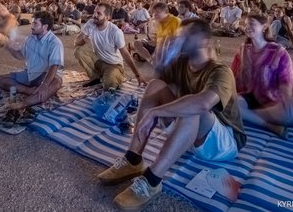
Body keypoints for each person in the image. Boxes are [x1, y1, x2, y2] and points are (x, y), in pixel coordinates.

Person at [96, 19, 246, 210]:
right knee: (155, 86)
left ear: (203, 41)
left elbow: (203, 104)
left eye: (186, 35)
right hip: (190, 136)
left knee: (191, 107)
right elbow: (157, 89)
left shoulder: (221, 71)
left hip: (223, 144)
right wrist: (158, 64)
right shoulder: (182, 62)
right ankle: (133, 159)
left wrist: (156, 112)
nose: (179, 39)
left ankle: (152, 180)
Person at [231, 15, 293, 138]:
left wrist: (287, 98)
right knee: (229, 104)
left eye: (252, 24)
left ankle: (247, 115)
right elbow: (232, 74)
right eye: (246, 24)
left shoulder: (278, 52)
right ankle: (267, 125)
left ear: (264, 27)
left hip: (272, 100)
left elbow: (286, 79)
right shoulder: (242, 50)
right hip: (246, 96)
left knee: (291, 115)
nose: (247, 27)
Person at [0, 11, 64, 125]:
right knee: (1, 81)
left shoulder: (55, 43)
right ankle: (30, 91)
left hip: (46, 75)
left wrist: (44, 85)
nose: (32, 26)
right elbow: (20, 55)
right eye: (32, 23)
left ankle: (23, 104)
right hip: (30, 74)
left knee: (56, 83)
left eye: (35, 24)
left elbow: (54, 66)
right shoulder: (29, 39)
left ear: (45, 27)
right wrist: (8, 47)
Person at [74, 2, 143, 89]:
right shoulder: (91, 23)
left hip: (113, 64)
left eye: (99, 13)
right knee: (79, 51)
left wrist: (137, 74)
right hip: (99, 60)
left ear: (107, 17)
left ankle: (114, 76)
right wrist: (84, 40)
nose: (94, 15)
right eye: (95, 12)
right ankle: (96, 78)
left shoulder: (115, 32)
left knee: (109, 84)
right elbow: (76, 42)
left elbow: (125, 54)